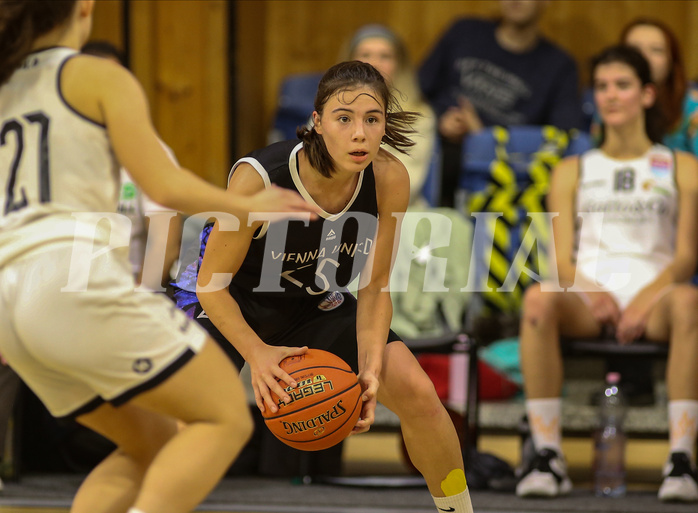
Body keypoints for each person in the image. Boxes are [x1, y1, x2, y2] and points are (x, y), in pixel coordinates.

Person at [0, 2, 319, 513]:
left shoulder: (7, 82)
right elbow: (163, 184)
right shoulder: (98, 76)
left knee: (149, 444)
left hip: (11, 300)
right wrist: (246, 204)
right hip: (69, 281)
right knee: (224, 420)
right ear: (85, 7)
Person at [172, 61, 474, 513]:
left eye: (372, 120)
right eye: (344, 118)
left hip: (312, 301)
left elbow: (374, 286)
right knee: (190, 415)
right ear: (317, 123)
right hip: (228, 301)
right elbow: (212, 287)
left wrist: (369, 370)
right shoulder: (260, 177)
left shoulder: (389, 178)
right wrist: (256, 355)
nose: (359, 134)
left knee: (416, 391)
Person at [516, 45, 698, 502]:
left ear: (648, 94)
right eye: (601, 86)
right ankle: (547, 457)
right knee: (538, 298)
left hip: (655, 299)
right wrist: (592, 291)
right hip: (588, 295)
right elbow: (561, 258)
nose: (611, 96)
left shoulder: (684, 168)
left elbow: (686, 258)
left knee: (691, 301)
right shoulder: (572, 170)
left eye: (623, 85)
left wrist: (643, 299)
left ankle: (681, 460)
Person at [418, 0, 583, 207]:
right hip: (436, 155)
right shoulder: (464, 31)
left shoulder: (559, 66)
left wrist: (484, 137)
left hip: (502, 179)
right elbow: (417, 91)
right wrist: (441, 117)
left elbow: (563, 139)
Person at [82, 40, 182, 290]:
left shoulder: (149, 151)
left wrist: (138, 296)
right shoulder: (47, 147)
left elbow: (165, 241)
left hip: (125, 290)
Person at [343, 24, 437, 207]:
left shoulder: (419, 116)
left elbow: (408, 182)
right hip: (335, 208)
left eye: (385, 56)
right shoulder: (328, 109)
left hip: (400, 212)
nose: (374, 64)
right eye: (365, 55)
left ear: (399, 65)